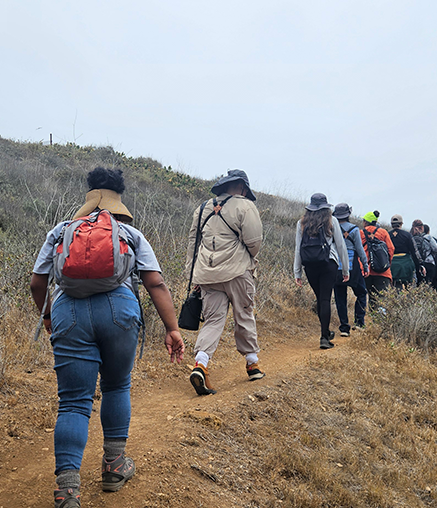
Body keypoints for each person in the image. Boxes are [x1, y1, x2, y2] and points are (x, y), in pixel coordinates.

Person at [30, 167, 186, 508]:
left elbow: (37, 283)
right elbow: (155, 283)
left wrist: (47, 315)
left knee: (73, 402)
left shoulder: (61, 231)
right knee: (116, 386)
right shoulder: (130, 233)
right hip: (119, 311)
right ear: (119, 200)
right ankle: (114, 465)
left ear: (89, 196)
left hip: (68, 313)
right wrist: (172, 328)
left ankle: (67, 490)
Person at [186, 170, 264, 396]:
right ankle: (252, 364)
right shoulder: (246, 206)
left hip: (207, 274)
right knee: (244, 314)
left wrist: (192, 274)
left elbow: (193, 243)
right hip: (237, 272)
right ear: (242, 187)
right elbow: (254, 243)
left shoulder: (203, 208)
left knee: (213, 320)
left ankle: (201, 364)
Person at [293, 193, 349, 349]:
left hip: (310, 265)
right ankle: (324, 337)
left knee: (320, 299)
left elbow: (298, 248)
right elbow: (340, 246)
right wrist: (345, 269)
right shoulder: (332, 220)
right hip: (328, 263)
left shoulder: (301, 223)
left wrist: (297, 272)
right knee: (325, 299)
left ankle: (326, 332)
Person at [332, 203, 368, 336]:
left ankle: (344, 328)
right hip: (353, 267)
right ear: (348, 215)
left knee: (340, 297)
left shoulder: (331, 229)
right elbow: (360, 249)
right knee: (361, 293)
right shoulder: (354, 229)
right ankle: (359, 323)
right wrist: (365, 265)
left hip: (336, 267)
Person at [360, 211, 395, 313]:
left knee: (370, 297)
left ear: (365, 222)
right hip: (383, 272)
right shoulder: (383, 232)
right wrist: (387, 264)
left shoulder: (361, 233)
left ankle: (370, 317)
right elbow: (391, 249)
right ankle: (380, 319)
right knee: (382, 299)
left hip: (366, 271)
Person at [388, 214, 423, 291]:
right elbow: (415, 252)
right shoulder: (407, 235)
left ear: (391, 224)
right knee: (410, 288)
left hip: (392, 266)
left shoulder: (387, 235)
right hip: (406, 266)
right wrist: (419, 265)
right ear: (401, 224)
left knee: (395, 289)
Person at [422, 224, 437, 291]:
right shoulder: (432, 240)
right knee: (433, 284)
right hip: (433, 265)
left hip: (421, 264)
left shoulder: (417, 239)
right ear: (428, 231)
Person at [411, 219, 434, 288]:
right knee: (427, 283)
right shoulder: (427, 238)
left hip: (414, 264)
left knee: (416, 283)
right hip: (427, 262)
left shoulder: (409, 237)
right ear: (422, 227)